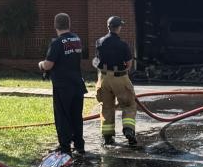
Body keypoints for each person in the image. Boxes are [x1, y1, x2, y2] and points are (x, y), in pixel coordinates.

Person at [38, 12, 86, 157]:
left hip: (63, 86)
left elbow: (48, 65)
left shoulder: (57, 43)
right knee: (76, 116)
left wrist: (40, 64)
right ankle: (79, 145)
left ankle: (65, 147)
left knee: (62, 116)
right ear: (69, 24)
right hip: (77, 83)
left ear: (55, 25)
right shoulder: (76, 39)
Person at [93, 15, 139, 147]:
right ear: (118, 28)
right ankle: (129, 130)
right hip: (120, 77)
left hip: (103, 78)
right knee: (129, 104)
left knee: (106, 106)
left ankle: (107, 137)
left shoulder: (99, 42)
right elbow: (129, 64)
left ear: (108, 27)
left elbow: (96, 61)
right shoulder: (123, 45)